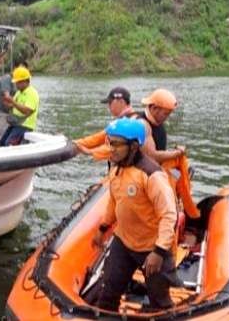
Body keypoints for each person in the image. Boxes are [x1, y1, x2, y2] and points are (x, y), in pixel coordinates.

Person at [90, 118, 178, 311]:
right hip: (124, 242)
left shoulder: (152, 175)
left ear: (133, 146)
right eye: (109, 142)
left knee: (159, 301)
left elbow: (169, 215)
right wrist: (102, 228)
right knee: (107, 294)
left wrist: (159, 252)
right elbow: (114, 203)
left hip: (151, 247)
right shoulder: (116, 169)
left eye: (116, 144)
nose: (110, 148)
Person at [75, 87, 137, 161]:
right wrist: (76, 143)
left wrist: (90, 152)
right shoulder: (121, 121)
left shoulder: (133, 122)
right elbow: (99, 137)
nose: (108, 106)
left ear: (121, 102)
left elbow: (116, 147)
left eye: (110, 103)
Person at [138, 89, 185, 164]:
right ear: (154, 108)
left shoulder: (157, 122)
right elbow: (152, 156)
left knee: (187, 169)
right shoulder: (142, 125)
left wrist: (173, 152)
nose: (167, 117)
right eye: (166, 114)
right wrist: (177, 153)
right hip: (145, 171)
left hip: (158, 166)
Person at [0, 66, 39, 147]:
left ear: (24, 81)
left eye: (17, 82)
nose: (16, 85)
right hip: (15, 124)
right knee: (1, 143)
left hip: (25, 126)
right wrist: (7, 103)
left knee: (8, 145)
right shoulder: (18, 93)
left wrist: (12, 101)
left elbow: (27, 111)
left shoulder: (32, 93)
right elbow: (14, 106)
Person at [0, 62, 19, 144]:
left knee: (9, 139)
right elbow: (6, 96)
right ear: (14, 68)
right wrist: (19, 106)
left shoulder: (18, 81)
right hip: (3, 114)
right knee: (0, 137)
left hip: (12, 115)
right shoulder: (7, 78)